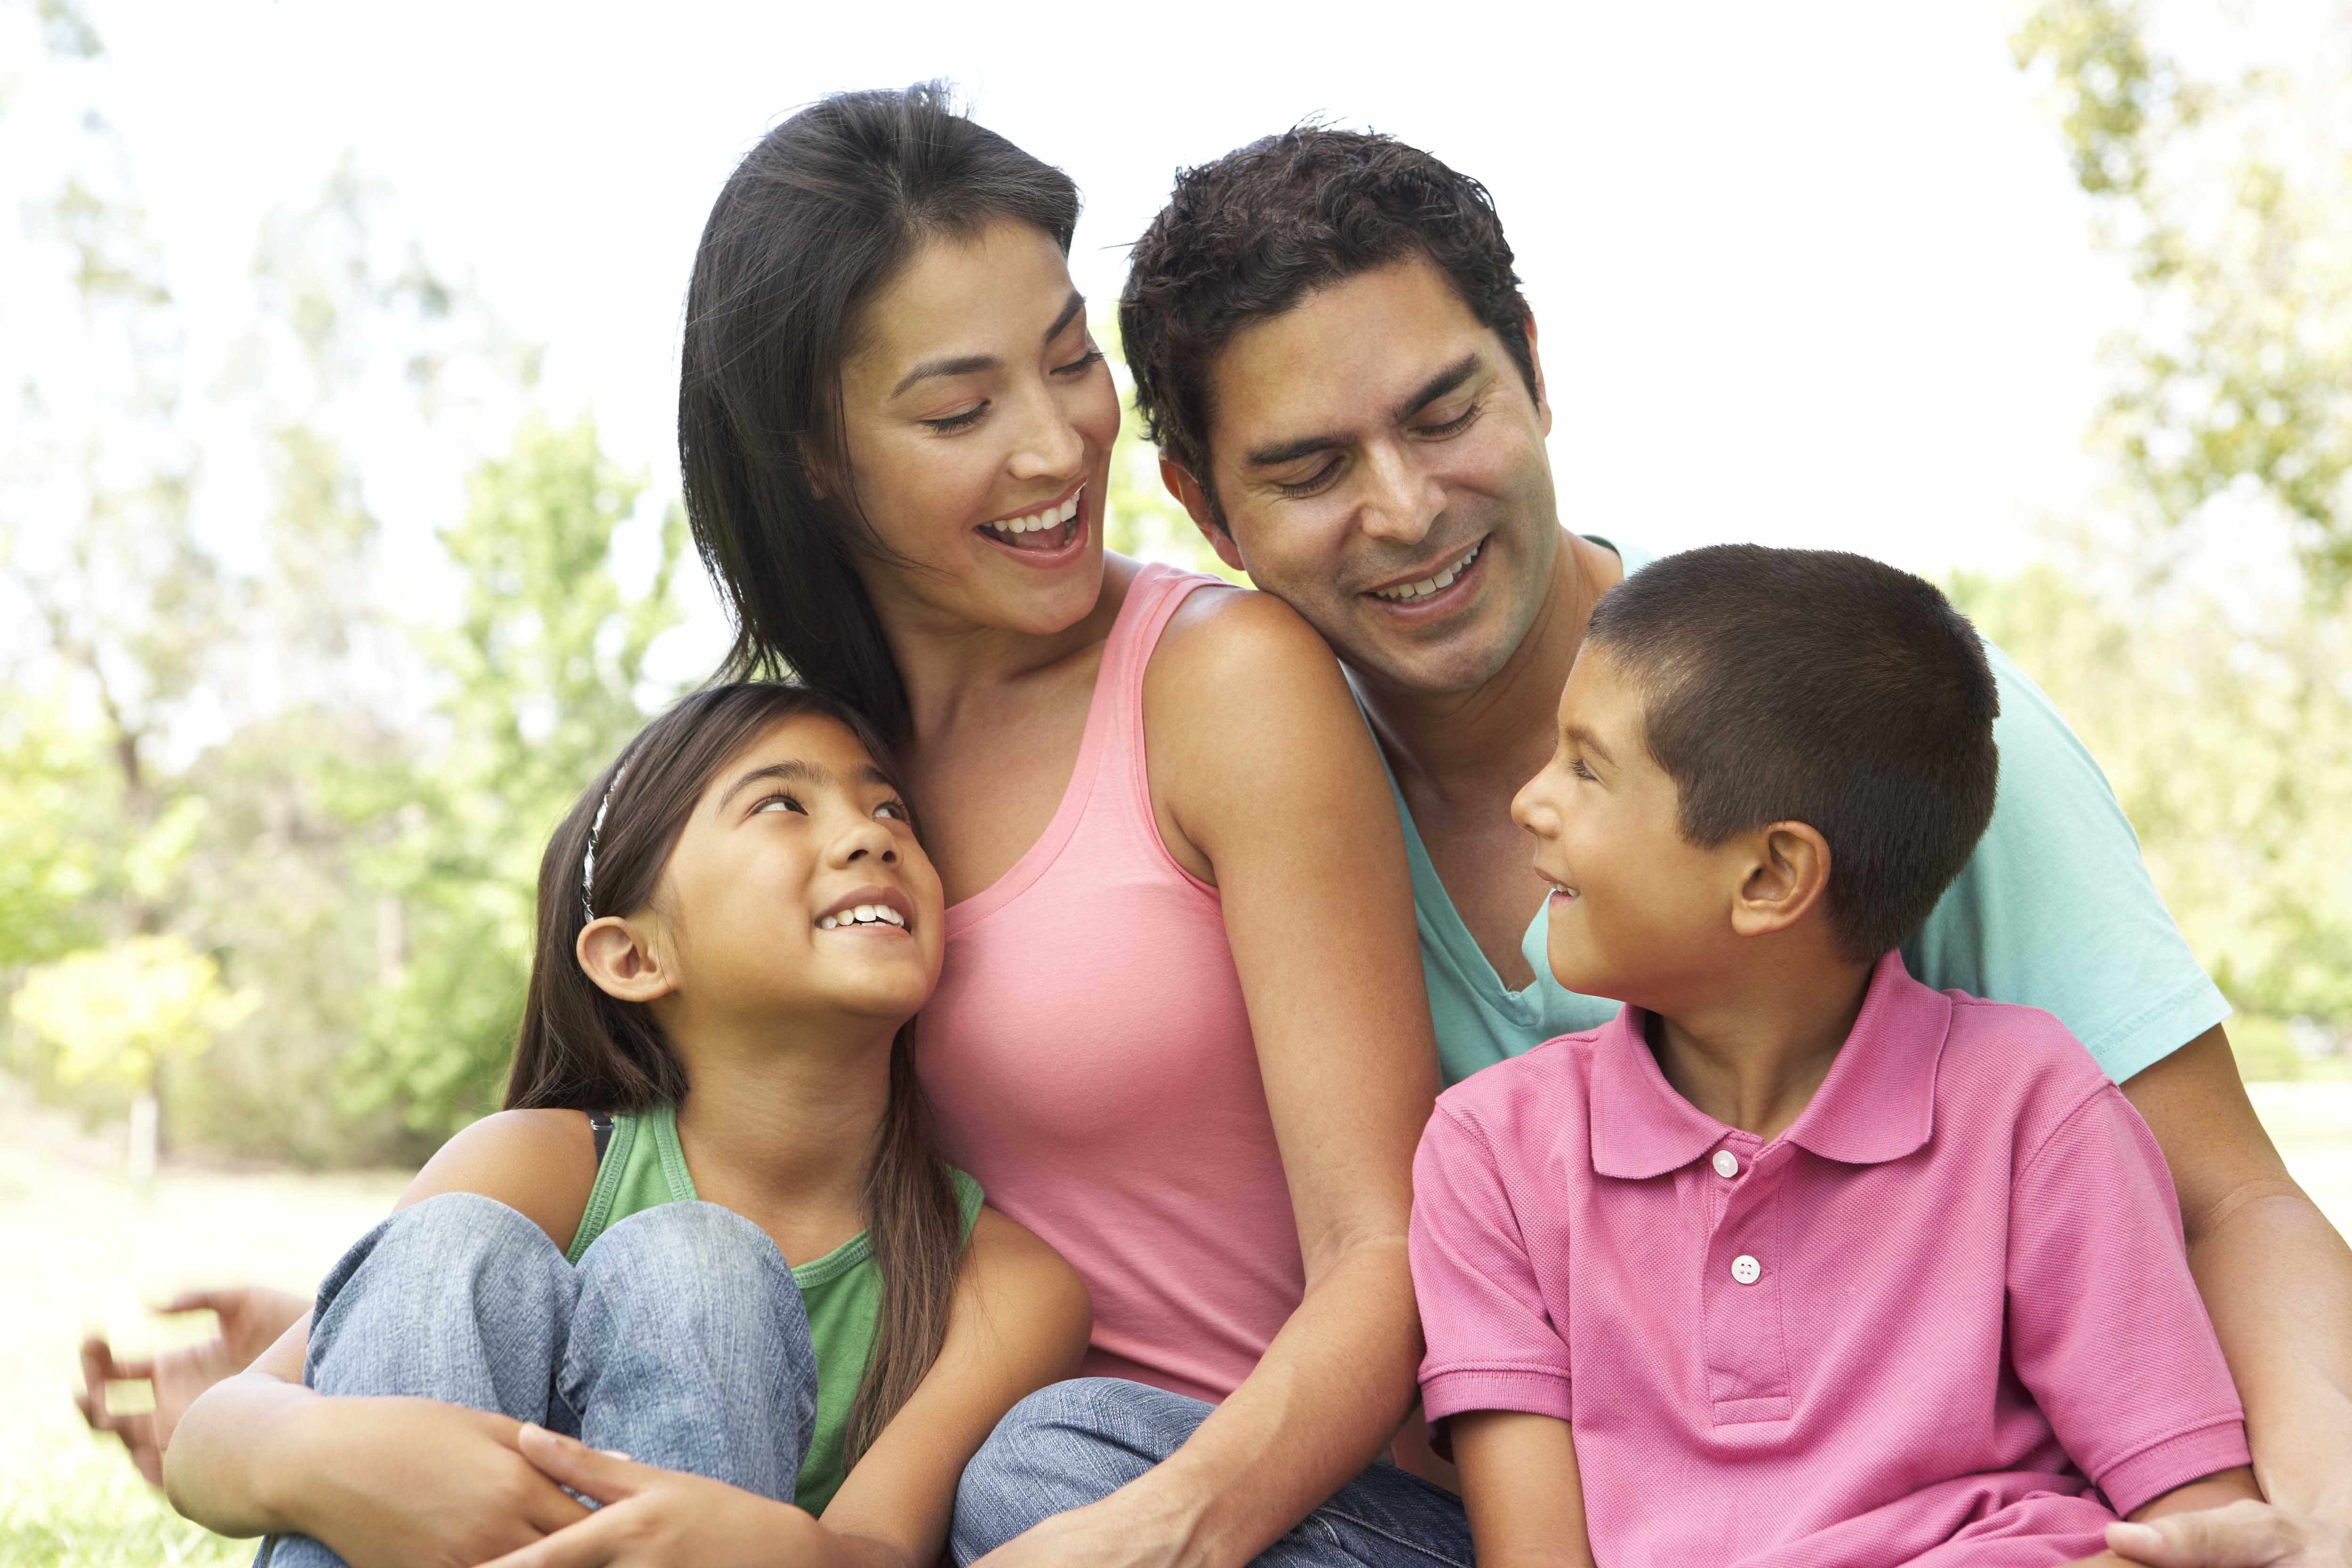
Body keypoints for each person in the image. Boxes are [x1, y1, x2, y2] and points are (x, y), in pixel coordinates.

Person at [93, 86, 1461, 1568]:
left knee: (1032, 1463)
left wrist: (1146, 1533)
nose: (1056, 448)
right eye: (957, 409)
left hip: (1201, 1498)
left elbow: (1388, 1256)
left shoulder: (1222, 680)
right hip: (918, 1491)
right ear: (816, 454)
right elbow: (696, 1164)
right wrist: (332, 1364)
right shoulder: (819, 770)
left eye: (1070, 362)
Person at [1101, 124, 2352, 1563]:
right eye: (1312, 468)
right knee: (1068, 1465)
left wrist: (2318, 1512)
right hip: (1542, 1516)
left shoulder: (1875, 728)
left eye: (1444, 414)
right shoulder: (1259, 806)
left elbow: (2233, 1196)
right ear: (1206, 510)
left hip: (1958, 1519)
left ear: (1534, 367)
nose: (1404, 507)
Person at [1413, 544, 2258, 1568]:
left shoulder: (2032, 1106)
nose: (1531, 801)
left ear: (1770, 875)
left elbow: (2199, 1516)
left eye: (1588, 768)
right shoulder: (1490, 1149)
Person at [158, 682, 1091, 1568]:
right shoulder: (536, 1160)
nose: (870, 837)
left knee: (700, 1261)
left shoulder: (1004, 1282)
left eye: (893, 811)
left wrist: (764, 1542)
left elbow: (882, 1549)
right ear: (636, 953)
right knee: (450, 1241)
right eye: (782, 805)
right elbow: (211, 1434)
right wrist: (343, 1457)